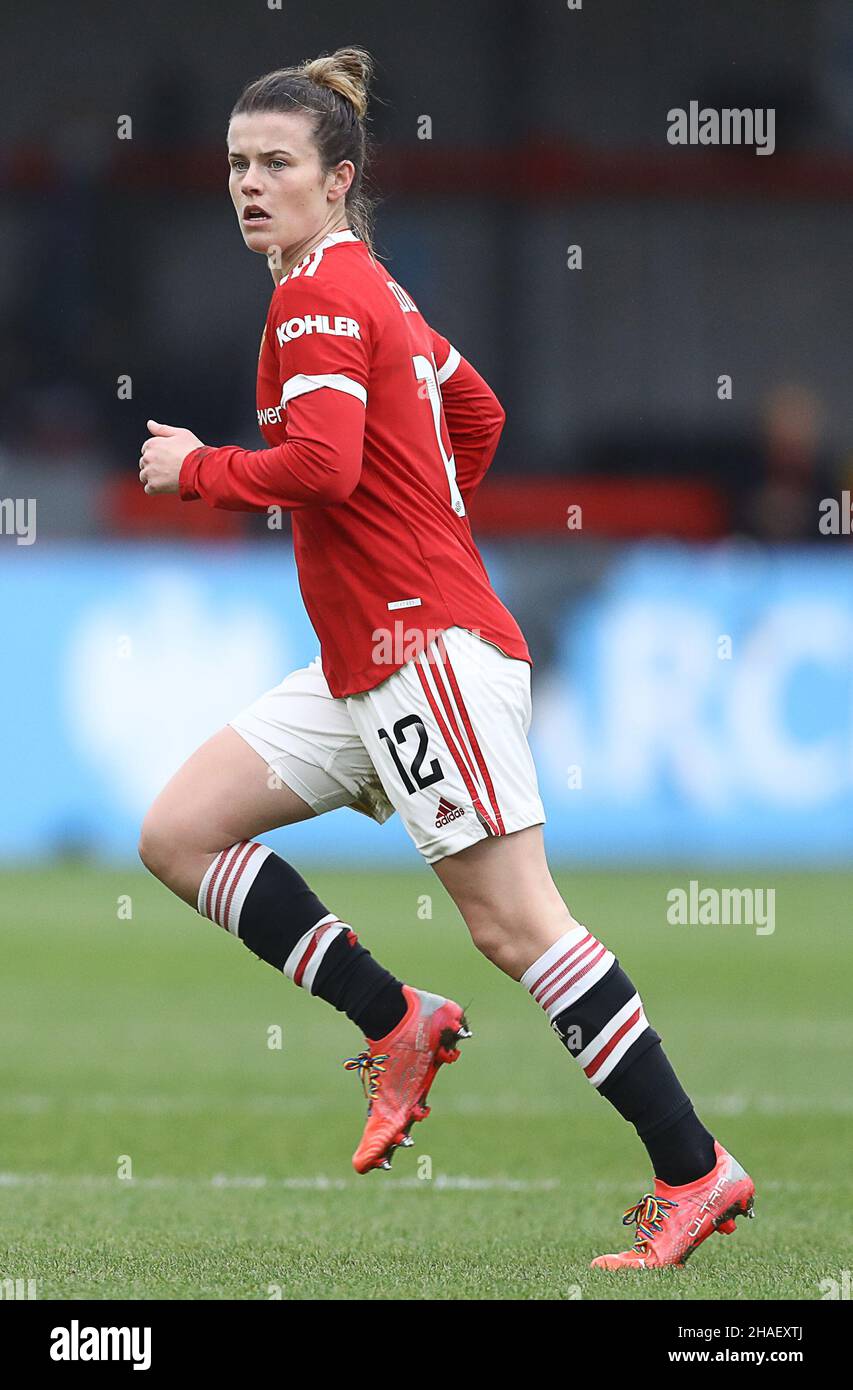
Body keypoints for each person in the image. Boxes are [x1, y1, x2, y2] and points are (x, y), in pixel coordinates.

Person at [137, 46, 754, 1269]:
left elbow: (320, 465)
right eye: (235, 165)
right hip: (367, 655)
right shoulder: (387, 297)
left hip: (423, 653)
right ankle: (397, 1020)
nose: (249, 186)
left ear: (338, 176)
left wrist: (194, 470)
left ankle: (694, 1169)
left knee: (520, 927)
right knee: (180, 833)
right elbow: (475, 416)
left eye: (276, 164)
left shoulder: (316, 296)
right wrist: (419, 523)